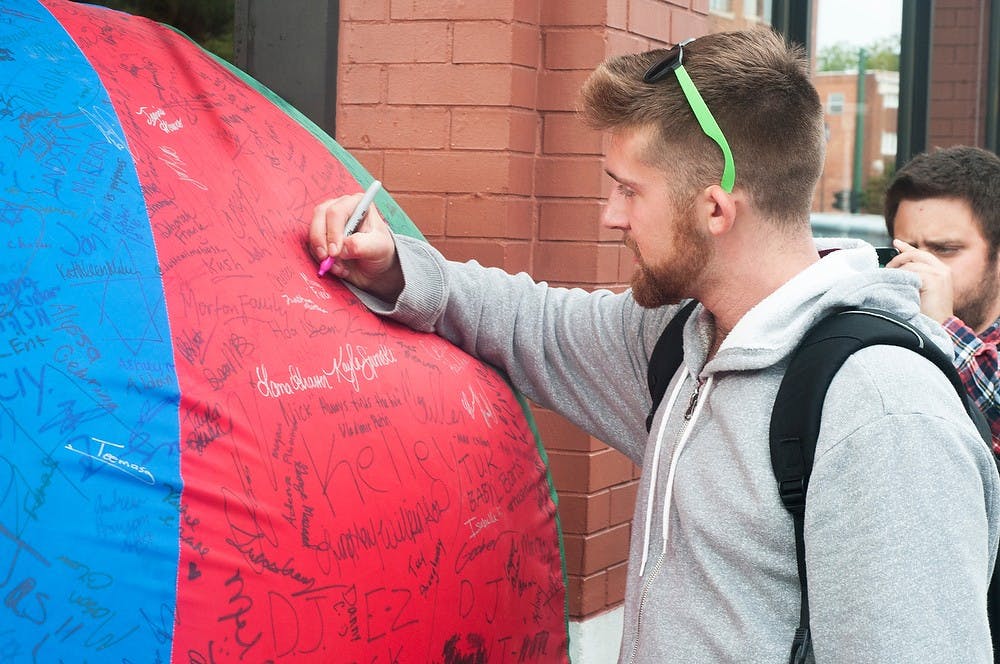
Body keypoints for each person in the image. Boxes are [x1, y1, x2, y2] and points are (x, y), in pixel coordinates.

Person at [309, 29, 999, 662]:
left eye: (627, 190)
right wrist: (395, 266)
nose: (611, 216)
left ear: (715, 208)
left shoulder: (884, 415)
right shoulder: (680, 341)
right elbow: (532, 322)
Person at [883, 145, 1000, 456]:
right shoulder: (883, 332)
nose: (922, 267)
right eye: (906, 250)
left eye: (945, 249)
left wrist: (943, 328)